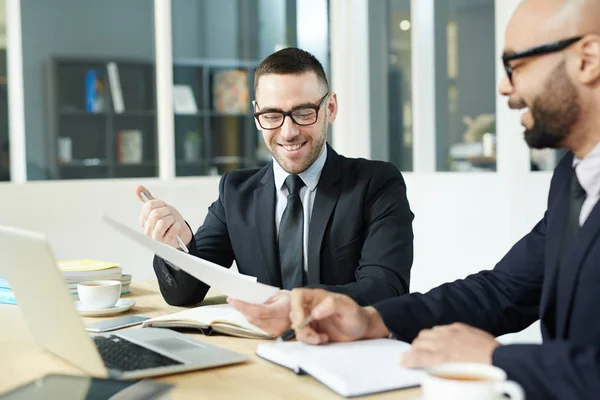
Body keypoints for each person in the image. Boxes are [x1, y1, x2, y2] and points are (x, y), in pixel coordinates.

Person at [289, 1, 600, 399]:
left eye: (516, 66)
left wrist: (498, 359)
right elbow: (504, 291)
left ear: (587, 60)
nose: (505, 87)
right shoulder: (572, 177)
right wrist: (371, 319)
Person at [137, 47, 414, 336]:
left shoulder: (377, 184)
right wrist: (174, 246)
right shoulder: (235, 192)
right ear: (257, 115)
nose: (288, 131)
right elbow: (185, 293)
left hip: (344, 349)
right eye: (272, 115)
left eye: (303, 113)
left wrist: (297, 304)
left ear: (330, 108)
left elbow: (386, 289)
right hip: (260, 352)